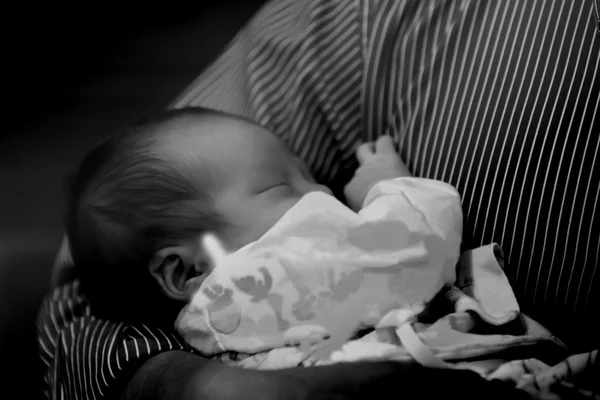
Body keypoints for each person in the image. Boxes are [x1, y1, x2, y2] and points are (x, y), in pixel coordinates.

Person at [38, 0, 599, 399]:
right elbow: (409, 253)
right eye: (282, 185)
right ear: (186, 269)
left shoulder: (217, 321)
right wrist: (387, 185)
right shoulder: (261, 281)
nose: (326, 190)